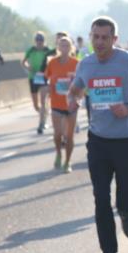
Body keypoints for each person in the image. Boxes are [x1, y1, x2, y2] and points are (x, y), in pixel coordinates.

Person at [68, 16, 128, 253]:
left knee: (127, 192)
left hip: (127, 140)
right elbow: (74, 89)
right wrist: (73, 99)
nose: (99, 42)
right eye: (95, 37)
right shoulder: (86, 64)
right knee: (100, 198)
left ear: (114, 39)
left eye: (105, 37)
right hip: (98, 141)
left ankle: (127, 212)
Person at [45, 35, 78, 173]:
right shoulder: (52, 63)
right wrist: (51, 86)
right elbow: (48, 78)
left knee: (69, 136)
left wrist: (77, 97)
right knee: (58, 134)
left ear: (71, 48)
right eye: (61, 45)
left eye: (67, 45)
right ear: (58, 48)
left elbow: (81, 84)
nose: (64, 48)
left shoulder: (76, 63)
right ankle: (59, 153)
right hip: (56, 103)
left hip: (71, 104)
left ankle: (68, 161)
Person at [23, 31, 52, 134]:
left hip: (44, 77)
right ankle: (43, 115)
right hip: (33, 77)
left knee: (43, 100)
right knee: (36, 105)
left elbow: (53, 61)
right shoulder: (31, 50)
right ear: (35, 41)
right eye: (38, 40)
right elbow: (23, 62)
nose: (39, 42)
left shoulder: (48, 50)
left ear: (44, 41)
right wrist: (28, 66)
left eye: (41, 40)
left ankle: (42, 123)